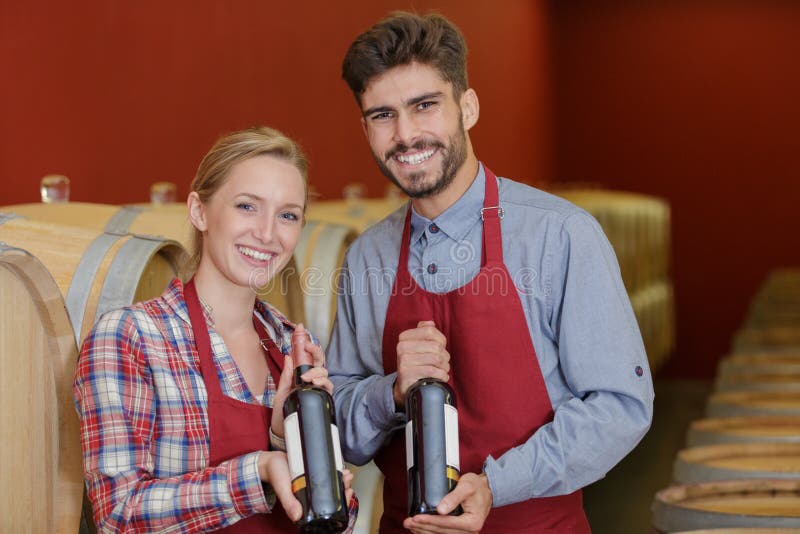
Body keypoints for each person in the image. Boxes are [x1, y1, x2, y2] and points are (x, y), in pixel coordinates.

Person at [327, 12, 654, 533]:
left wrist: (497, 484)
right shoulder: (367, 257)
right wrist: (389, 392)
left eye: (425, 106)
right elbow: (340, 434)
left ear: (468, 107)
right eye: (383, 115)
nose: (406, 134)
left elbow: (620, 406)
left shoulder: (560, 235)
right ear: (365, 127)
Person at [73, 126, 357, 533]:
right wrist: (259, 469)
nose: (267, 233)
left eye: (288, 215)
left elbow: (335, 518)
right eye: (247, 206)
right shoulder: (131, 337)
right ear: (199, 211)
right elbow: (119, 516)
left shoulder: (292, 342)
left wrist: (288, 444)